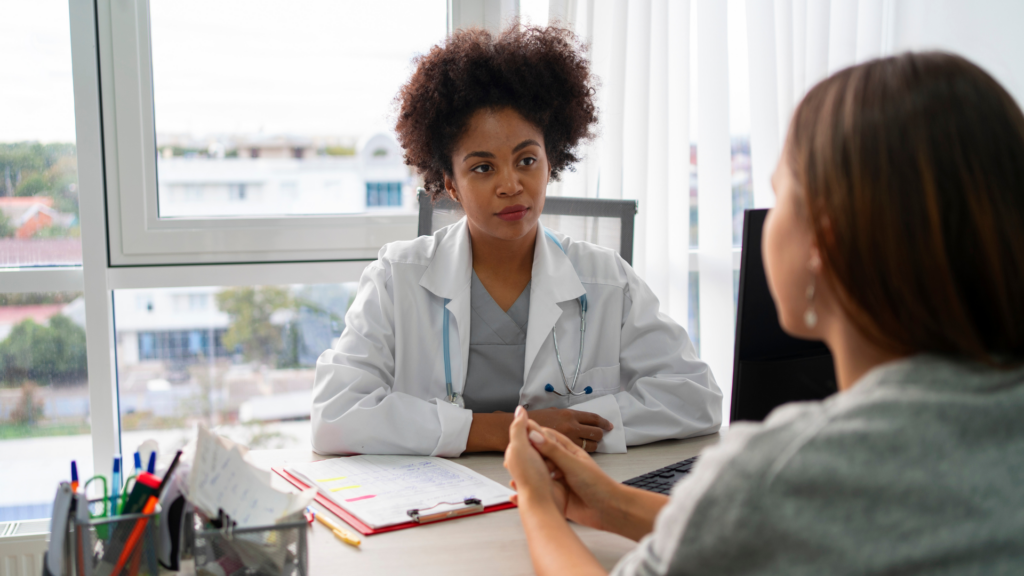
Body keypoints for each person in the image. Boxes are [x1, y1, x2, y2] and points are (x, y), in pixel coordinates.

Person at [504, 51, 1024, 575]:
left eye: (780, 195)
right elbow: (798, 534)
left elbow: (766, 502)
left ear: (825, 239)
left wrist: (537, 502)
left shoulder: (785, 471)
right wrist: (613, 503)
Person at [310, 25, 722, 457]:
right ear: (451, 184)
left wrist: (575, 429)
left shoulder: (606, 279)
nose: (510, 185)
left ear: (551, 164)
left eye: (527, 160)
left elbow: (696, 398)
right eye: (483, 168)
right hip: (445, 506)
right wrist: (508, 431)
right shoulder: (396, 278)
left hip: (566, 494)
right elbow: (336, 414)